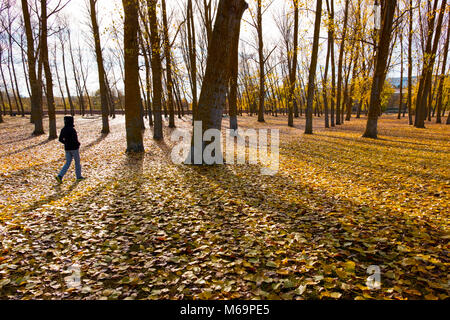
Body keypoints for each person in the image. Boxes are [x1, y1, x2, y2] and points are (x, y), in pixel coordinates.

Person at [56, 116, 85, 182]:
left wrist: (66, 143)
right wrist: (78, 144)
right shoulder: (72, 129)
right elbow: (75, 139)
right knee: (77, 162)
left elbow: (60, 139)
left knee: (67, 163)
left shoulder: (63, 129)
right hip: (74, 148)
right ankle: (78, 176)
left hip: (67, 148)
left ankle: (60, 175)